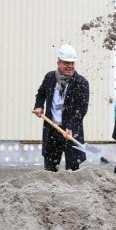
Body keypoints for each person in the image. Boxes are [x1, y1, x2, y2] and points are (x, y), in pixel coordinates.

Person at [33, 44, 89, 172]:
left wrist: (71, 127)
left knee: (73, 167)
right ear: (58, 62)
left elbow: (82, 108)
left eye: (72, 63)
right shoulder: (50, 77)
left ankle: (73, 191)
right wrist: (39, 106)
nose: (70, 66)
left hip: (71, 131)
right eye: (66, 63)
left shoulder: (81, 82)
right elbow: (41, 93)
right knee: (50, 167)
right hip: (52, 129)